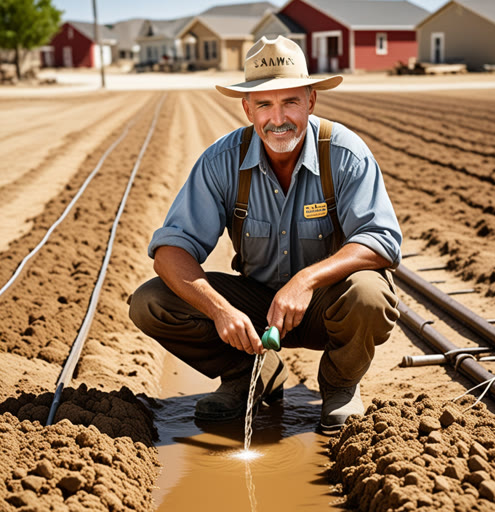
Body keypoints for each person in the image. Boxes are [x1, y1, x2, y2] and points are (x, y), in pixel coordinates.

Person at [129, 36, 401, 433]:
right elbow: (170, 250)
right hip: (256, 306)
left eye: (290, 101)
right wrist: (220, 310)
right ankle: (250, 372)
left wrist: (305, 280)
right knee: (150, 301)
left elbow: (381, 240)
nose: (278, 118)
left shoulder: (344, 153)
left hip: (327, 302)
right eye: (264, 104)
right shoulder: (222, 161)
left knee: (370, 294)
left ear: (311, 100)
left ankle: (341, 386)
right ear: (247, 108)